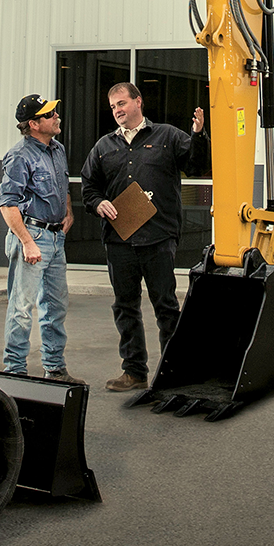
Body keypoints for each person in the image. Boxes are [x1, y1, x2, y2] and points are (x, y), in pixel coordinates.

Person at [79, 81, 207, 392]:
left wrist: (199, 135)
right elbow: (89, 189)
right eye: (112, 107)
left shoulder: (167, 136)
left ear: (139, 102)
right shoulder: (104, 146)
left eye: (121, 103)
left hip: (158, 238)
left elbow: (197, 166)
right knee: (125, 306)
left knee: (165, 306)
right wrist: (98, 203)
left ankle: (174, 371)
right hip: (119, 241)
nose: (117, 111)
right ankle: (134, 372)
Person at [0, 94, 73, 381]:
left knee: (55, 307)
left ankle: (55, 369)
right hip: (32, 236)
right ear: (34, 124)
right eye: (50, 114)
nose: (56, 117)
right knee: (22, 308)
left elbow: (62, 183)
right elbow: (8, 204)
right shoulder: (19, 156)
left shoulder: (58, 150)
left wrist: (68, 212)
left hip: (55, 237)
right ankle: (15, 371)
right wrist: (27, 241)